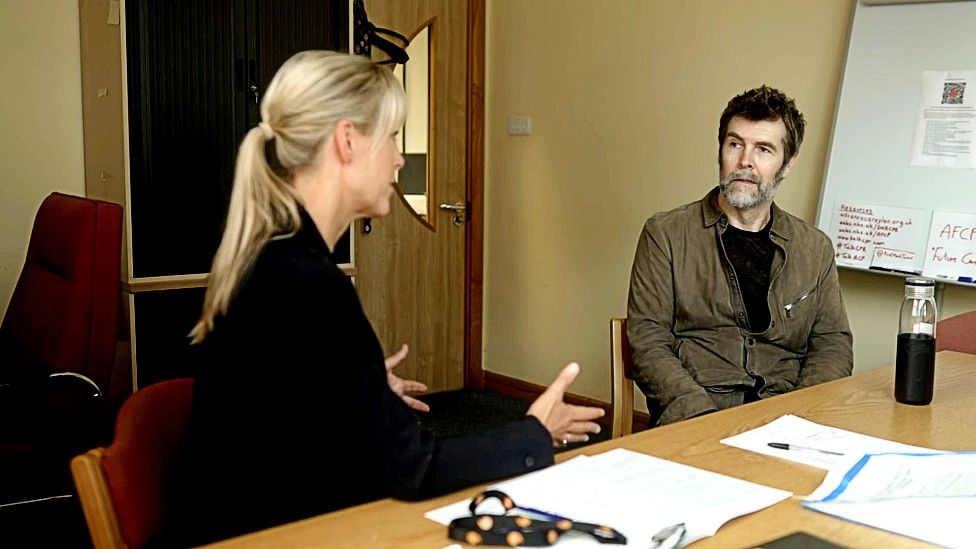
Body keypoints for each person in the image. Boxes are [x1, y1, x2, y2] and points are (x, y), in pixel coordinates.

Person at [170, 51, 603, 545]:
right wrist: (534, 431)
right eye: (393, 136)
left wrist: (360, 392)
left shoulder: (271, 257)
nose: (399, 157)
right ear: (347, 140)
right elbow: (410, 469)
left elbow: (290, 409)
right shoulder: (307, 283)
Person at [627, 85, 853, 427]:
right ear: (721, 151)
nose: (745, 161)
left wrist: (801, 416)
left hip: (787, 419)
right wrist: (699, 414)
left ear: (787, 164)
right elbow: (648, 340)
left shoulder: (814, 248)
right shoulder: (666, 234)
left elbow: (832, 344)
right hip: (696, 416)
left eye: (763, 149)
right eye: (735, 144)